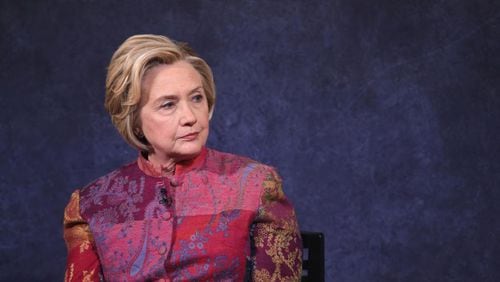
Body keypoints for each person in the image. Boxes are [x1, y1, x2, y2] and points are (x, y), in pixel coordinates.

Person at [63, 34, 302, 281]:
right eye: (168, 105)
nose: (190, 116)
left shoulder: (256, 184)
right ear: (134, 120)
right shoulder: (91, 204)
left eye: (196, 98)